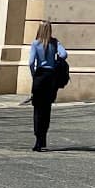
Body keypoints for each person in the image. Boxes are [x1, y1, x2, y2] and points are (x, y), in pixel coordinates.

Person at [28, 21, 68, 151]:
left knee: (37, 109)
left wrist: (34, 74)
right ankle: (43, 137)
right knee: (47, 109)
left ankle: (38, 139)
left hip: (40, 77)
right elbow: (64, 54)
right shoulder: (55, 42)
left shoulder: (35, 44)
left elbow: (30, 62)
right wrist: (56, 58)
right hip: (51, 78)